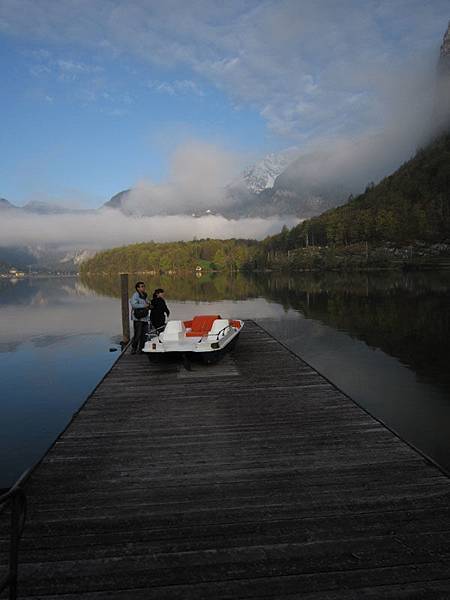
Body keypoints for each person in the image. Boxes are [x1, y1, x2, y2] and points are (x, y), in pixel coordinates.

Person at [130, 281, 151, 354]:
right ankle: (134, 348)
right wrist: (144, 305)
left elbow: (147, 303)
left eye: (144, 286)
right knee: (138, 334)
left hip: (145, 318)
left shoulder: (145, 295)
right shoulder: (135, 295)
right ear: (137, 288)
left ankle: (141, 349)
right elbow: (133, 305)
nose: (143, 287)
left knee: (144, 335)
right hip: (138, 318)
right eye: (141, 286)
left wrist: (149, 305)